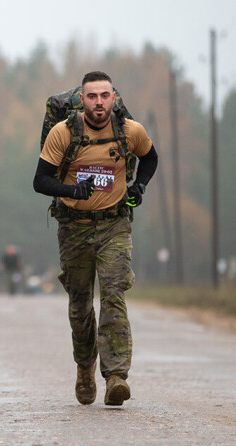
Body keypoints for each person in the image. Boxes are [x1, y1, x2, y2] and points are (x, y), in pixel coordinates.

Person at [33, 71, 158, 407]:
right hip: (74, 228)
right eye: (92, 96)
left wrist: (138, 187)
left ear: (113, 98)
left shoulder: (129, 131)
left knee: (114, 292)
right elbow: (40, 180)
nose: (99, 103)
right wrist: (71, 190)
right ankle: (85, 368)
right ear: (82, 99)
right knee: (80, 304)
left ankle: (116, 376)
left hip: (113, 225)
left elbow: (150, 157)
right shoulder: (64, 133)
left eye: (104, 96)